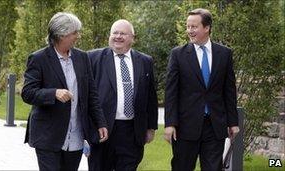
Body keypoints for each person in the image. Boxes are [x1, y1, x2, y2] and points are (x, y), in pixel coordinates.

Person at [21, 12, 108, 171]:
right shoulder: (39, 58)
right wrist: (53, 93)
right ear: (62, 34)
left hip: (75, 135)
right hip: (48, 136)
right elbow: (27, 93)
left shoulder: (82, 57)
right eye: (74, 32)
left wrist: (100, 122)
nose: (78, 36)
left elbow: (91, 95)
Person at [164, 8, 240, 171]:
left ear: (207, 28)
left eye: (194, 27)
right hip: (185, 127)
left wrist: (233, 122)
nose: (189, 31)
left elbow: (229, 91)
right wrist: (170, 123)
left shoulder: (224, 54)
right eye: (188, 26)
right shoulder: (178, 54)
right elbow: (171, 92)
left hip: (215, 126)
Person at [87, 19, 158, 171]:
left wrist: (151, 127)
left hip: (132, 131)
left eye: (123, 33)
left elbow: (151, 96)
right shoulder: (92, 58)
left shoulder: (145, 61)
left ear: (133, 37)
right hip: (102, 130)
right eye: (115, 33)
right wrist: (86, 130)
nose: (118, 36)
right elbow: (84, 97)